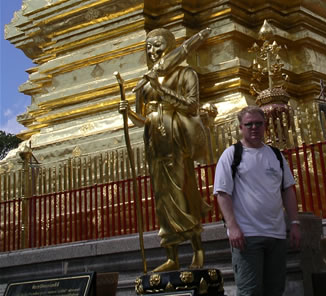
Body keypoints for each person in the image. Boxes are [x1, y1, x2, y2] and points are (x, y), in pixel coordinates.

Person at [119, 26, 211, 272]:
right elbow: (142, 118)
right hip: (153, 141)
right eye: (148, 46)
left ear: (170, 45)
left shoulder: (185, 73)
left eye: (157, 44)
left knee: (182, 192)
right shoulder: (145, 80)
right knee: (161, 199)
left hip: (176, 137)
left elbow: (192, 106)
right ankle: (171, 255)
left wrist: (163, 92)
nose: (152, 50)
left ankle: (198, 249)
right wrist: (126, 112)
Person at [213, 106, 301, 296]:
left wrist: (294, 223)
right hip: (247, 235)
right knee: (250, 291)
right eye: (249, 124)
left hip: (276, 234)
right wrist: (232, 226)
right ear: (240, 127)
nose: (254, 127)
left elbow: (288, 190)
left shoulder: (275, 155)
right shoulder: (231, 155)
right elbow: (222, 193)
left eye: (258, 123)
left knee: (275, 290)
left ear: (265, 126)